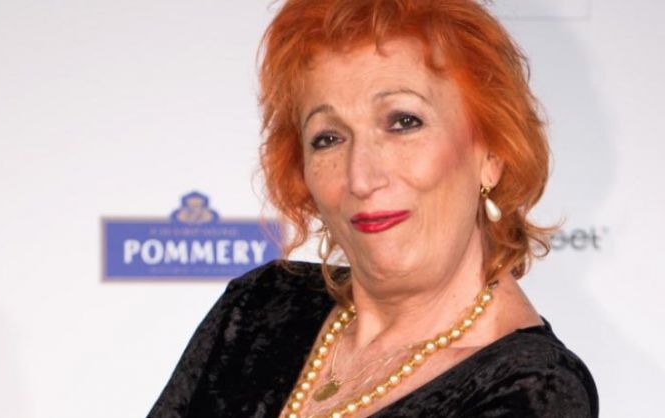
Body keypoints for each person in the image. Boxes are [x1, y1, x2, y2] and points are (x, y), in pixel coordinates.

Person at [147, 0, 599, 417]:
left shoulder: (535, 390)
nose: (361, 178)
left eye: (403, 122)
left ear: (493, 153)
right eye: (328, 138)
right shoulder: (257, 310)